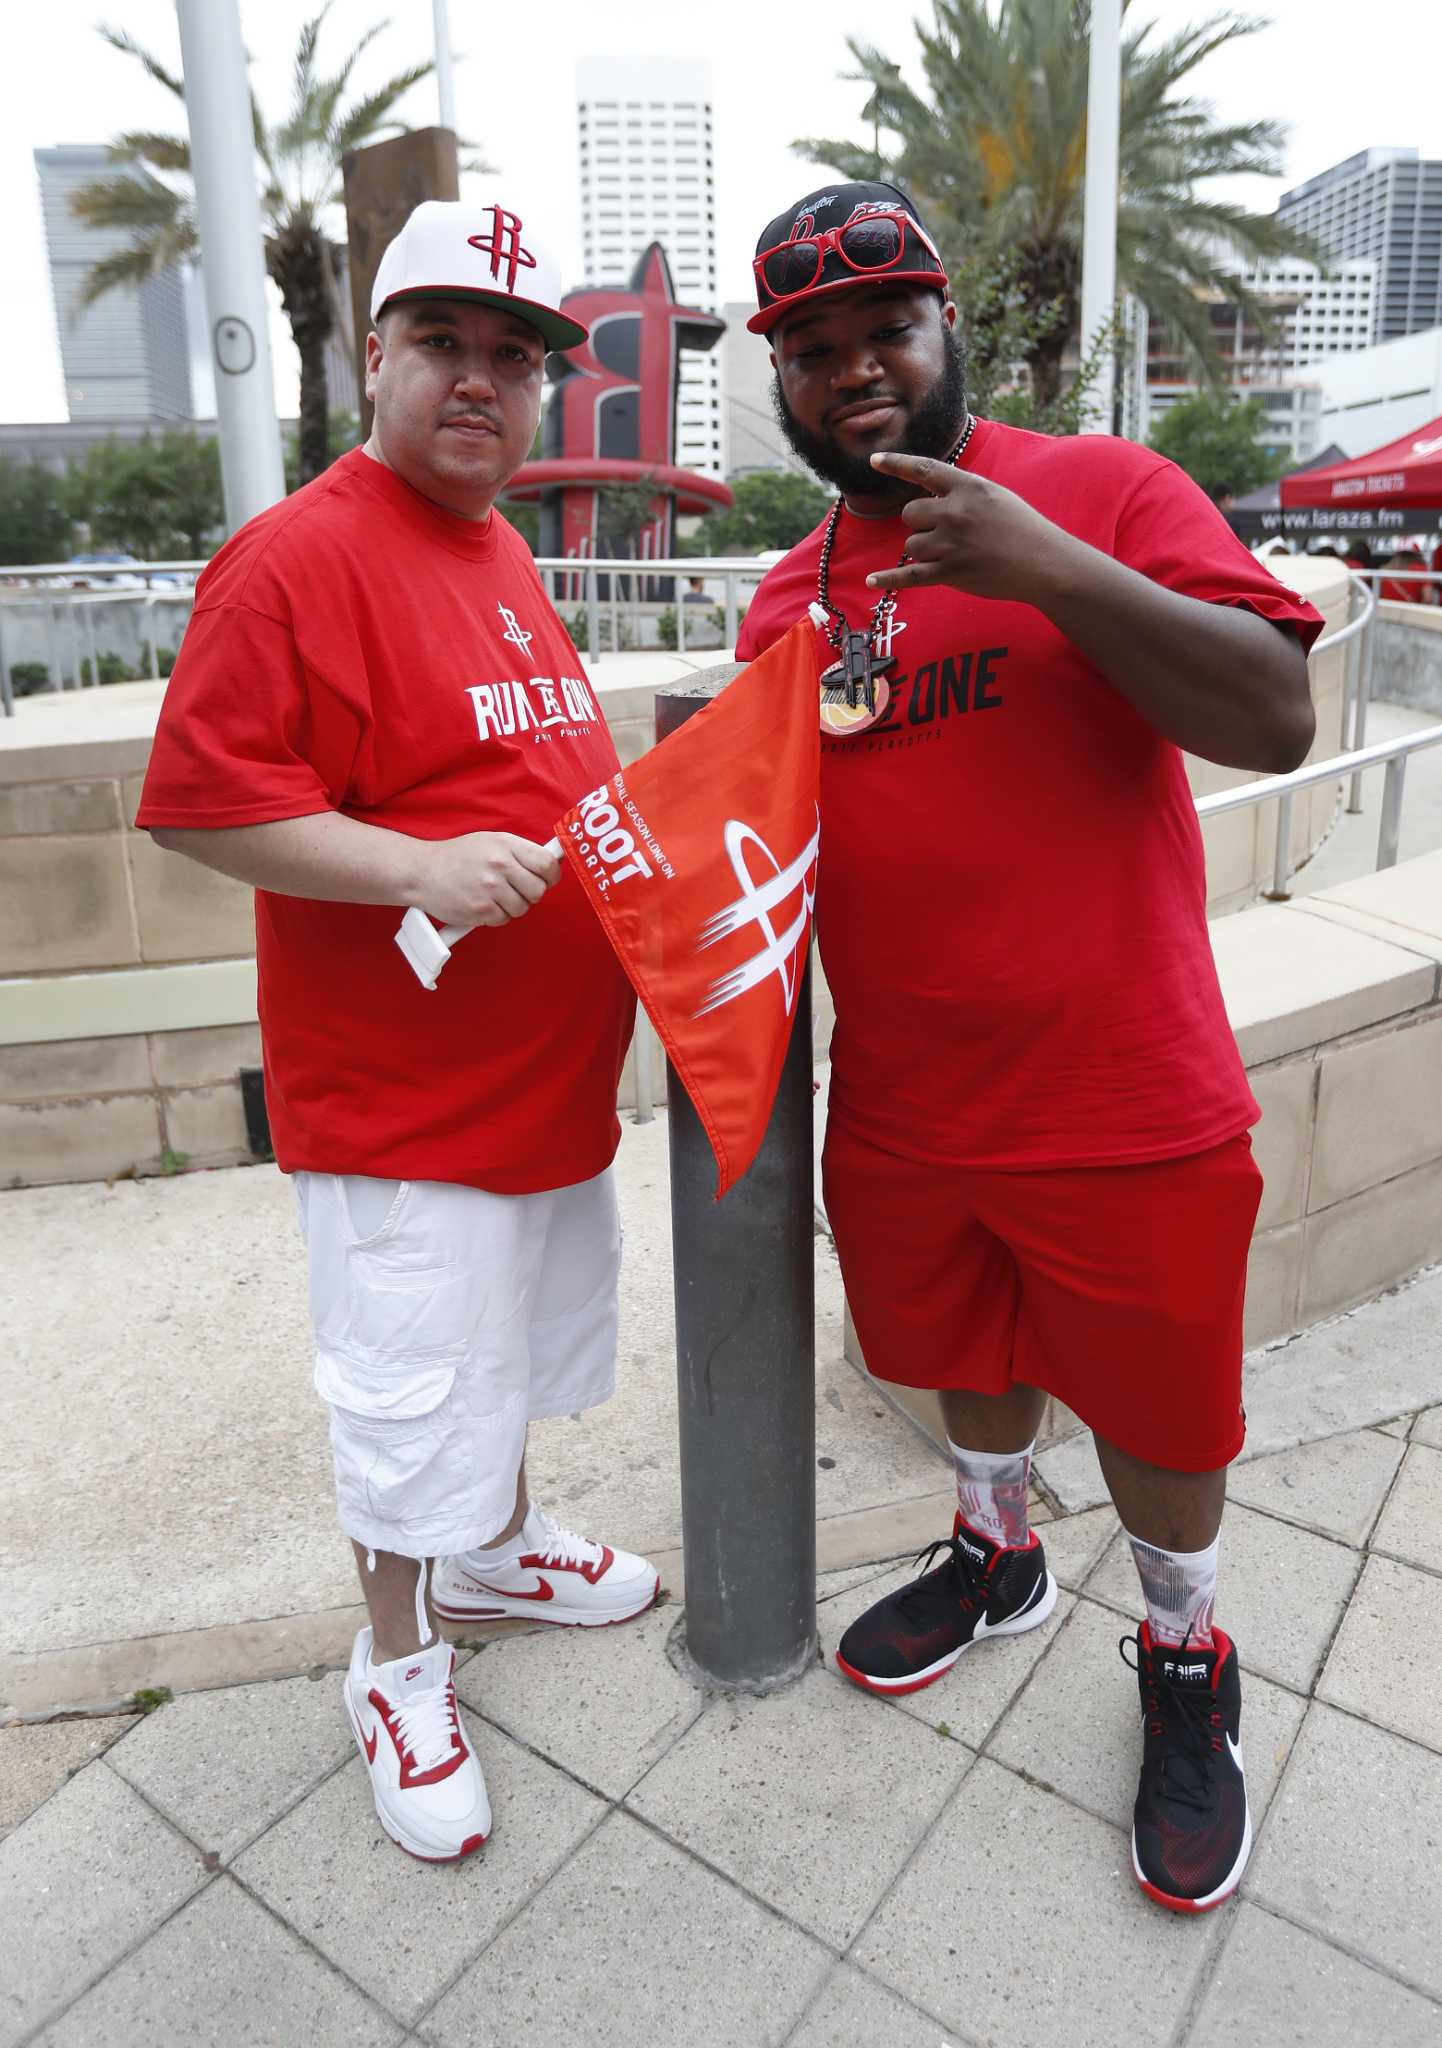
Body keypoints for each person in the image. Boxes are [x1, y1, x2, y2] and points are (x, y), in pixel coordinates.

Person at [736, 181, 1322, 1916]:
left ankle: (1184, 1649)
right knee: (956, 1360)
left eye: (884, 333)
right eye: (815, 351)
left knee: (1157, 1414)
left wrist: (1044, 567)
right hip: (907, 1108)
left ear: (945, 338)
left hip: (1118, 1097)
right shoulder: (786, 595)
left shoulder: (1098, 491)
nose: (854, 372)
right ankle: (996, 1552)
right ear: (780, 384)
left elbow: (1274, 714)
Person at [135, 197, 658, 1866]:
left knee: (498, 1369)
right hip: (402, 1110)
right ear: (375, 359)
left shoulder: (499, 548)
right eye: (443, 342)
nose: (481, 380)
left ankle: (497, 1555)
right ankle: (397, 1658)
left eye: (515, 356)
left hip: (538, 1096)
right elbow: (203, 809)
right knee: (408, 1395)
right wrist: (417, 864)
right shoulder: (291, 559)